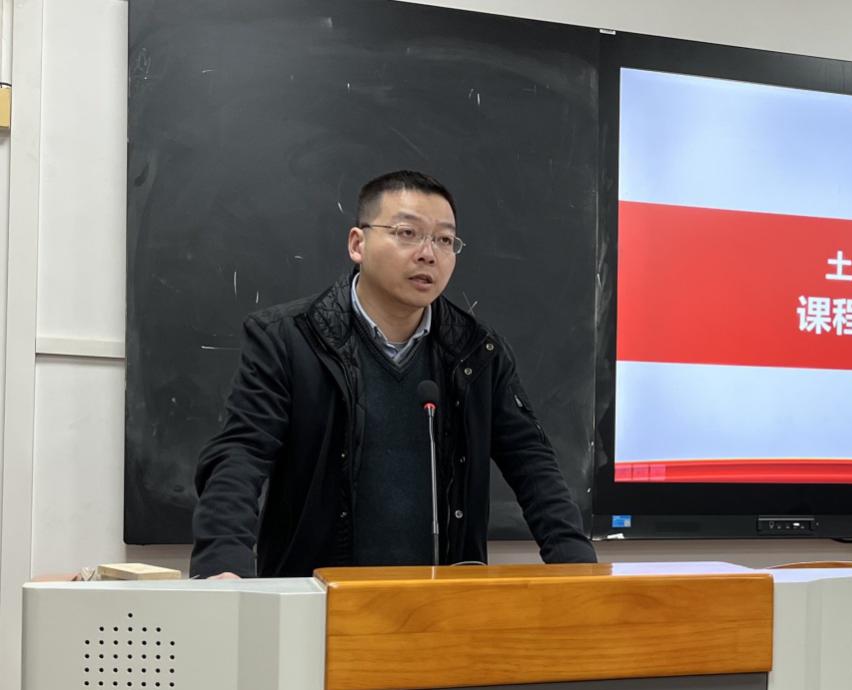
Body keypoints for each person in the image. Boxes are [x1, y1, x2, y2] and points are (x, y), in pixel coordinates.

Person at [190, 170, 596, 578]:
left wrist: (580, 570)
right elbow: (241, 454)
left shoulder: (476, 352)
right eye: (407, 233)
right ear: (358, 244)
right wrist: (222, 563)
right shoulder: (289, 339)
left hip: (441, 602)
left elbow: (532, 465)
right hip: (318, 599)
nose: (428, 254)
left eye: (444, 240)